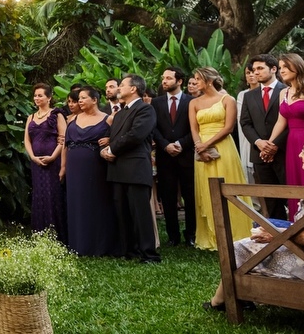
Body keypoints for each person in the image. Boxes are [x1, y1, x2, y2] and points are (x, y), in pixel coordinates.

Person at [204, 130, 304, 310]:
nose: (300, 154)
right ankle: (231, 299)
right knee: (263, 227)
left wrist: (273, 235)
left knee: (238, 247)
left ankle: (221, 302)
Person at [100, 74, 160, 263]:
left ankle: (148, 254)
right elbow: (111, 137)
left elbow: (136, 135)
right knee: (122, 211)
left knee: (140, 213)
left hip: (135, 168)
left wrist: (112, 149)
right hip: (118, 169)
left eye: (122, 85)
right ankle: (129, 250)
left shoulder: (145, 110)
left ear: (133, 88)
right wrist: (104, 150)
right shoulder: (120, 113)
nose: (118, 88)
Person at [190, 67, 252, 250]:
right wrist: (199, 146)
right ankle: (211, 234)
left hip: (223, 147)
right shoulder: (194, 103)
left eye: (197, 79)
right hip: (201, 149)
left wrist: (207, 143)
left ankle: (236, 232)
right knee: (206, 190)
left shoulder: (228, 100)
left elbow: (228, 128)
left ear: (208, 81)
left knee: (228, 187)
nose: (194, 83)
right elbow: (194, 128)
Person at [61, 87, 121, 256]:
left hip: (96, 167)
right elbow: (65, 145)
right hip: (74, 168)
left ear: (95, 100)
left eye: (83, 98)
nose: (79, 101)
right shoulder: (71, 119)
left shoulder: (108, 119)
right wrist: (63, 167)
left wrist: (109, 139)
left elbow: (118, 139)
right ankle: (78, 244)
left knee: (97, 202)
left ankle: (100, 245)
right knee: (77, 203)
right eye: (78, 98)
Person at [266, 53, 304, 217]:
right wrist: (269, 144)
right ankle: (296, 224)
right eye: (280, 68)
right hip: (291, 143)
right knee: (295, 184)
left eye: (285, 66)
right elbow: (281, 122)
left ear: (297, 66)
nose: (282, 71)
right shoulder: (283, 93)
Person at [240, 54, 289, 220]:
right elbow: (245, 123)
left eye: (260, 68)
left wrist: (274, 145)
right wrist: (259, 143)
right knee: (270, 200)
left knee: (291, 196)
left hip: (284, 152)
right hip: (259, 154)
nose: (256, 73)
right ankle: (277, 237)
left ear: (274, 69)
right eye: (254, 70)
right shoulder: (249, 96)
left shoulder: (287, 90)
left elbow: (290, 122)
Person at [151, 66, 196, 247]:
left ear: (179, 81)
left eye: (169, 78)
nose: (164, 81)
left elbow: (195, 129)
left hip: (186, 155)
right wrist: (165, 145)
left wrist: (181, 144)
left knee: (190, 197)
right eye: (163, 78)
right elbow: (153, 128)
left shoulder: (191, 101)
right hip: (165, 156)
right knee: (168, 197)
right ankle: (173, 236)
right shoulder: (156, 102)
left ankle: (191, 234)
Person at [23, 83, 66, 242]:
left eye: (40, 95)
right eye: (35, 95)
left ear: (49, 97)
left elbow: (63, 139)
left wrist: (53, 157)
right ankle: (40, 234)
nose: (37, 98)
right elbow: (27, 140)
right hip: (36, 163)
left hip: (53, 162)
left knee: (53, 195)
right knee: (39, 195)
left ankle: (57, 236)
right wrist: (33, 156)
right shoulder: (31, 117)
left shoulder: (57, 115)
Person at [235, 64, 259, 186]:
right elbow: (242, 117)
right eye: (247, 73)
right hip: (247, 133)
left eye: (253, 72)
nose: (250, 75)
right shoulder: (242, 95)